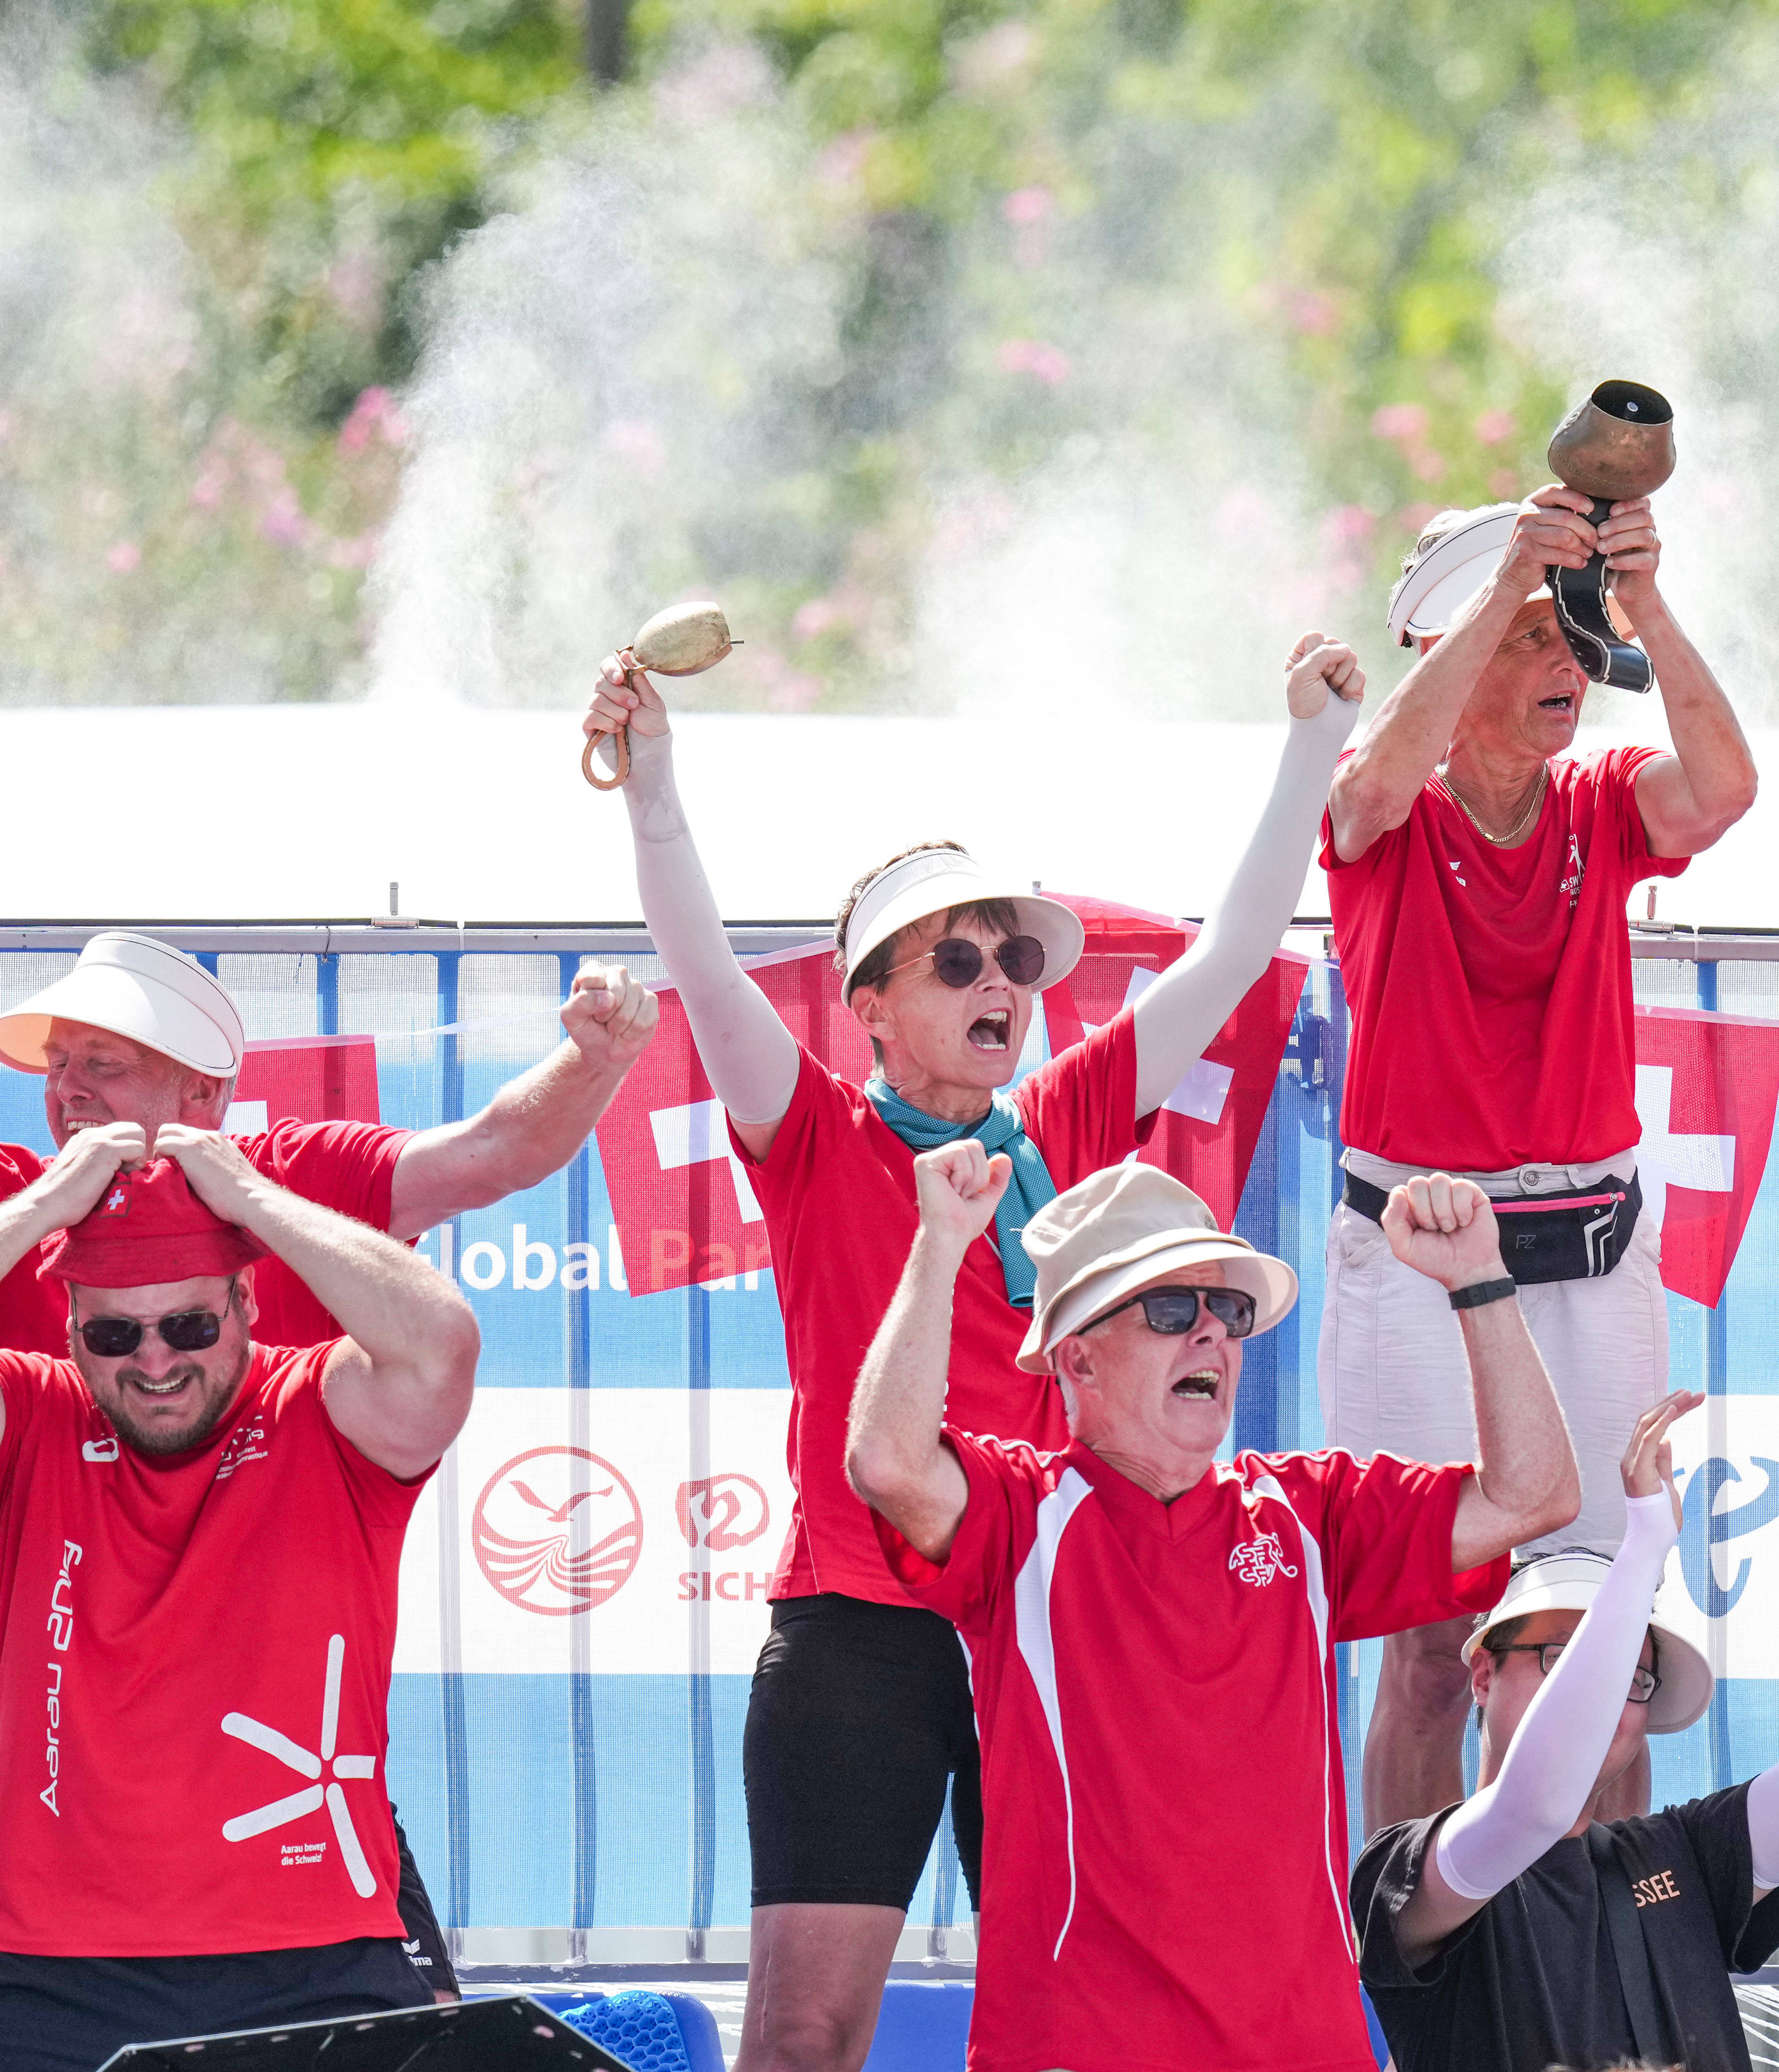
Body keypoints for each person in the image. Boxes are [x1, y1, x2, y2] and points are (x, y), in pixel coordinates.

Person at [583, 630, 1366, 2071]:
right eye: (958, 957)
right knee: (806, 2035)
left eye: (1016, 956)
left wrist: (1311, 742)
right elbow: (696, 962)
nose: (1001, 978)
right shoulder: (817, 1130)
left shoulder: (1064, 1119)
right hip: (863, 1625)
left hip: (1052, 1616)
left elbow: (1236, 949)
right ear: (866, 1003)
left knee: (1107, 2017)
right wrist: (654, 792)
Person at [0, 927, 656, 1999]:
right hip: (23, 1734)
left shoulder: (295, 1183)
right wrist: (45, 1211)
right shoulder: (8, 1199)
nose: (67, 1093)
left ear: (203, 1092)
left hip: (270, 1719)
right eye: (56, 1065)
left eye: (103, 1064)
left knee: (418, 2024)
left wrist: (596, 1058)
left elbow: (494, 1154)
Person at [844, 1151, 1573, 2072]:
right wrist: (941, 1246)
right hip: (1083, 2050)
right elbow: (887, 1465)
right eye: (1169, 1310)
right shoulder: (1022, 1517)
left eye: (1227, 1312)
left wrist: (1479, 1280)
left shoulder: (1309, 1514)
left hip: (1309, 2052)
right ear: (1077, 1356)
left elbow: (1535, 1496)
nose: (1212, 1338)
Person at [1328, 483, 1758, 1832]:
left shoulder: (1601, 798)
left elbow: (1728, 790)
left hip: (1589, 1240)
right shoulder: (1384, 809)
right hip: (1417, 1248)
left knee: (1602, 1634)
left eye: (1568, 637)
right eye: (1528, 637)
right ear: (1444, 657)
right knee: (1429, 1638)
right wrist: (1511, 572)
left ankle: (1590, 1985)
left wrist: (1644, 605)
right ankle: (1411, 1977)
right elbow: (1376, 783)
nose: (1565, 662)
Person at [0, 1125, 479, 2068]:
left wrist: (251, 1199)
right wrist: (42, 1206)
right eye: (114, 1334)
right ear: (69, 1324)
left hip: (314, 1961)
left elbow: (440, 1346)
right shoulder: (31, 1416)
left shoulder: (324, 1406)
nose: (155, 1364)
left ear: (246, 1300)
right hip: (50, 1972)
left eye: (189, 1325)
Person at [1350, 1380, 1779, 2072]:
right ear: (1483, 1677)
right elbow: (1534, 1804)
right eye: (1563, 1658)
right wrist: (1641, 1549)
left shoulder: (1687, 1852)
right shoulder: (1406, 1867)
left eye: (1628, 1678)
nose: (1599, 1695)